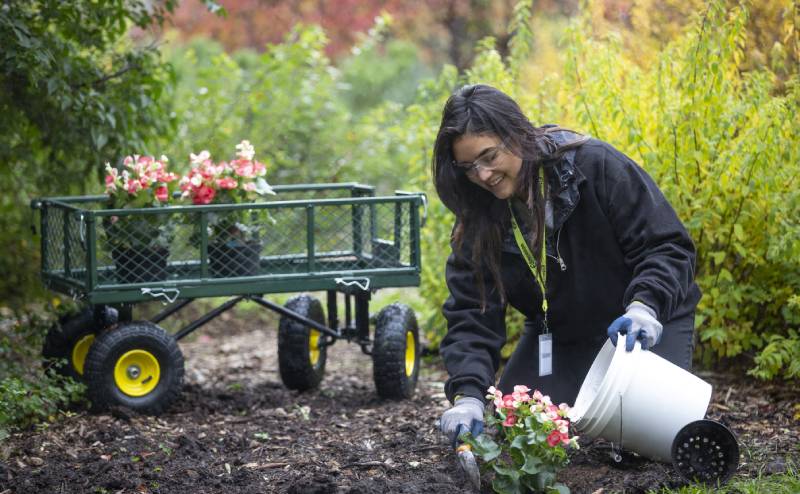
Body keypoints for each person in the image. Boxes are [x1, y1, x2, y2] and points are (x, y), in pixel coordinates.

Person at [434, 84, 702, 443]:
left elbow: (667, 245)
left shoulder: (595, 166)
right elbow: (471, 311)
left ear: (517, 133)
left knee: (647, 436)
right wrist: (467, 395)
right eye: (468, 167)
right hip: (559, 334)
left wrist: (645, 305)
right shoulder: (478, 215)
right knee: (519, 431)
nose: (482, 175)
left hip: (638, 329)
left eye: (489, 156)